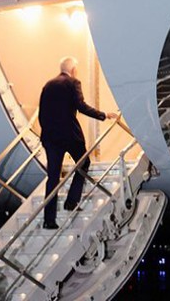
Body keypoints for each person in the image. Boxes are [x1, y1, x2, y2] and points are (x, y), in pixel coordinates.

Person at [38, 56, 118, 229]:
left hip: (50, 138)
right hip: (70, 136)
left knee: (52, 177)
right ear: (73, 70)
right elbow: (81, 106)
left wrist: (46, 132)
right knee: (84, 163)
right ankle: (72, 201)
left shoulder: (48, 85)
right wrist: (103, 115)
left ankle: (48, 220)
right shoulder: (73, 83)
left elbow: (42, 113)